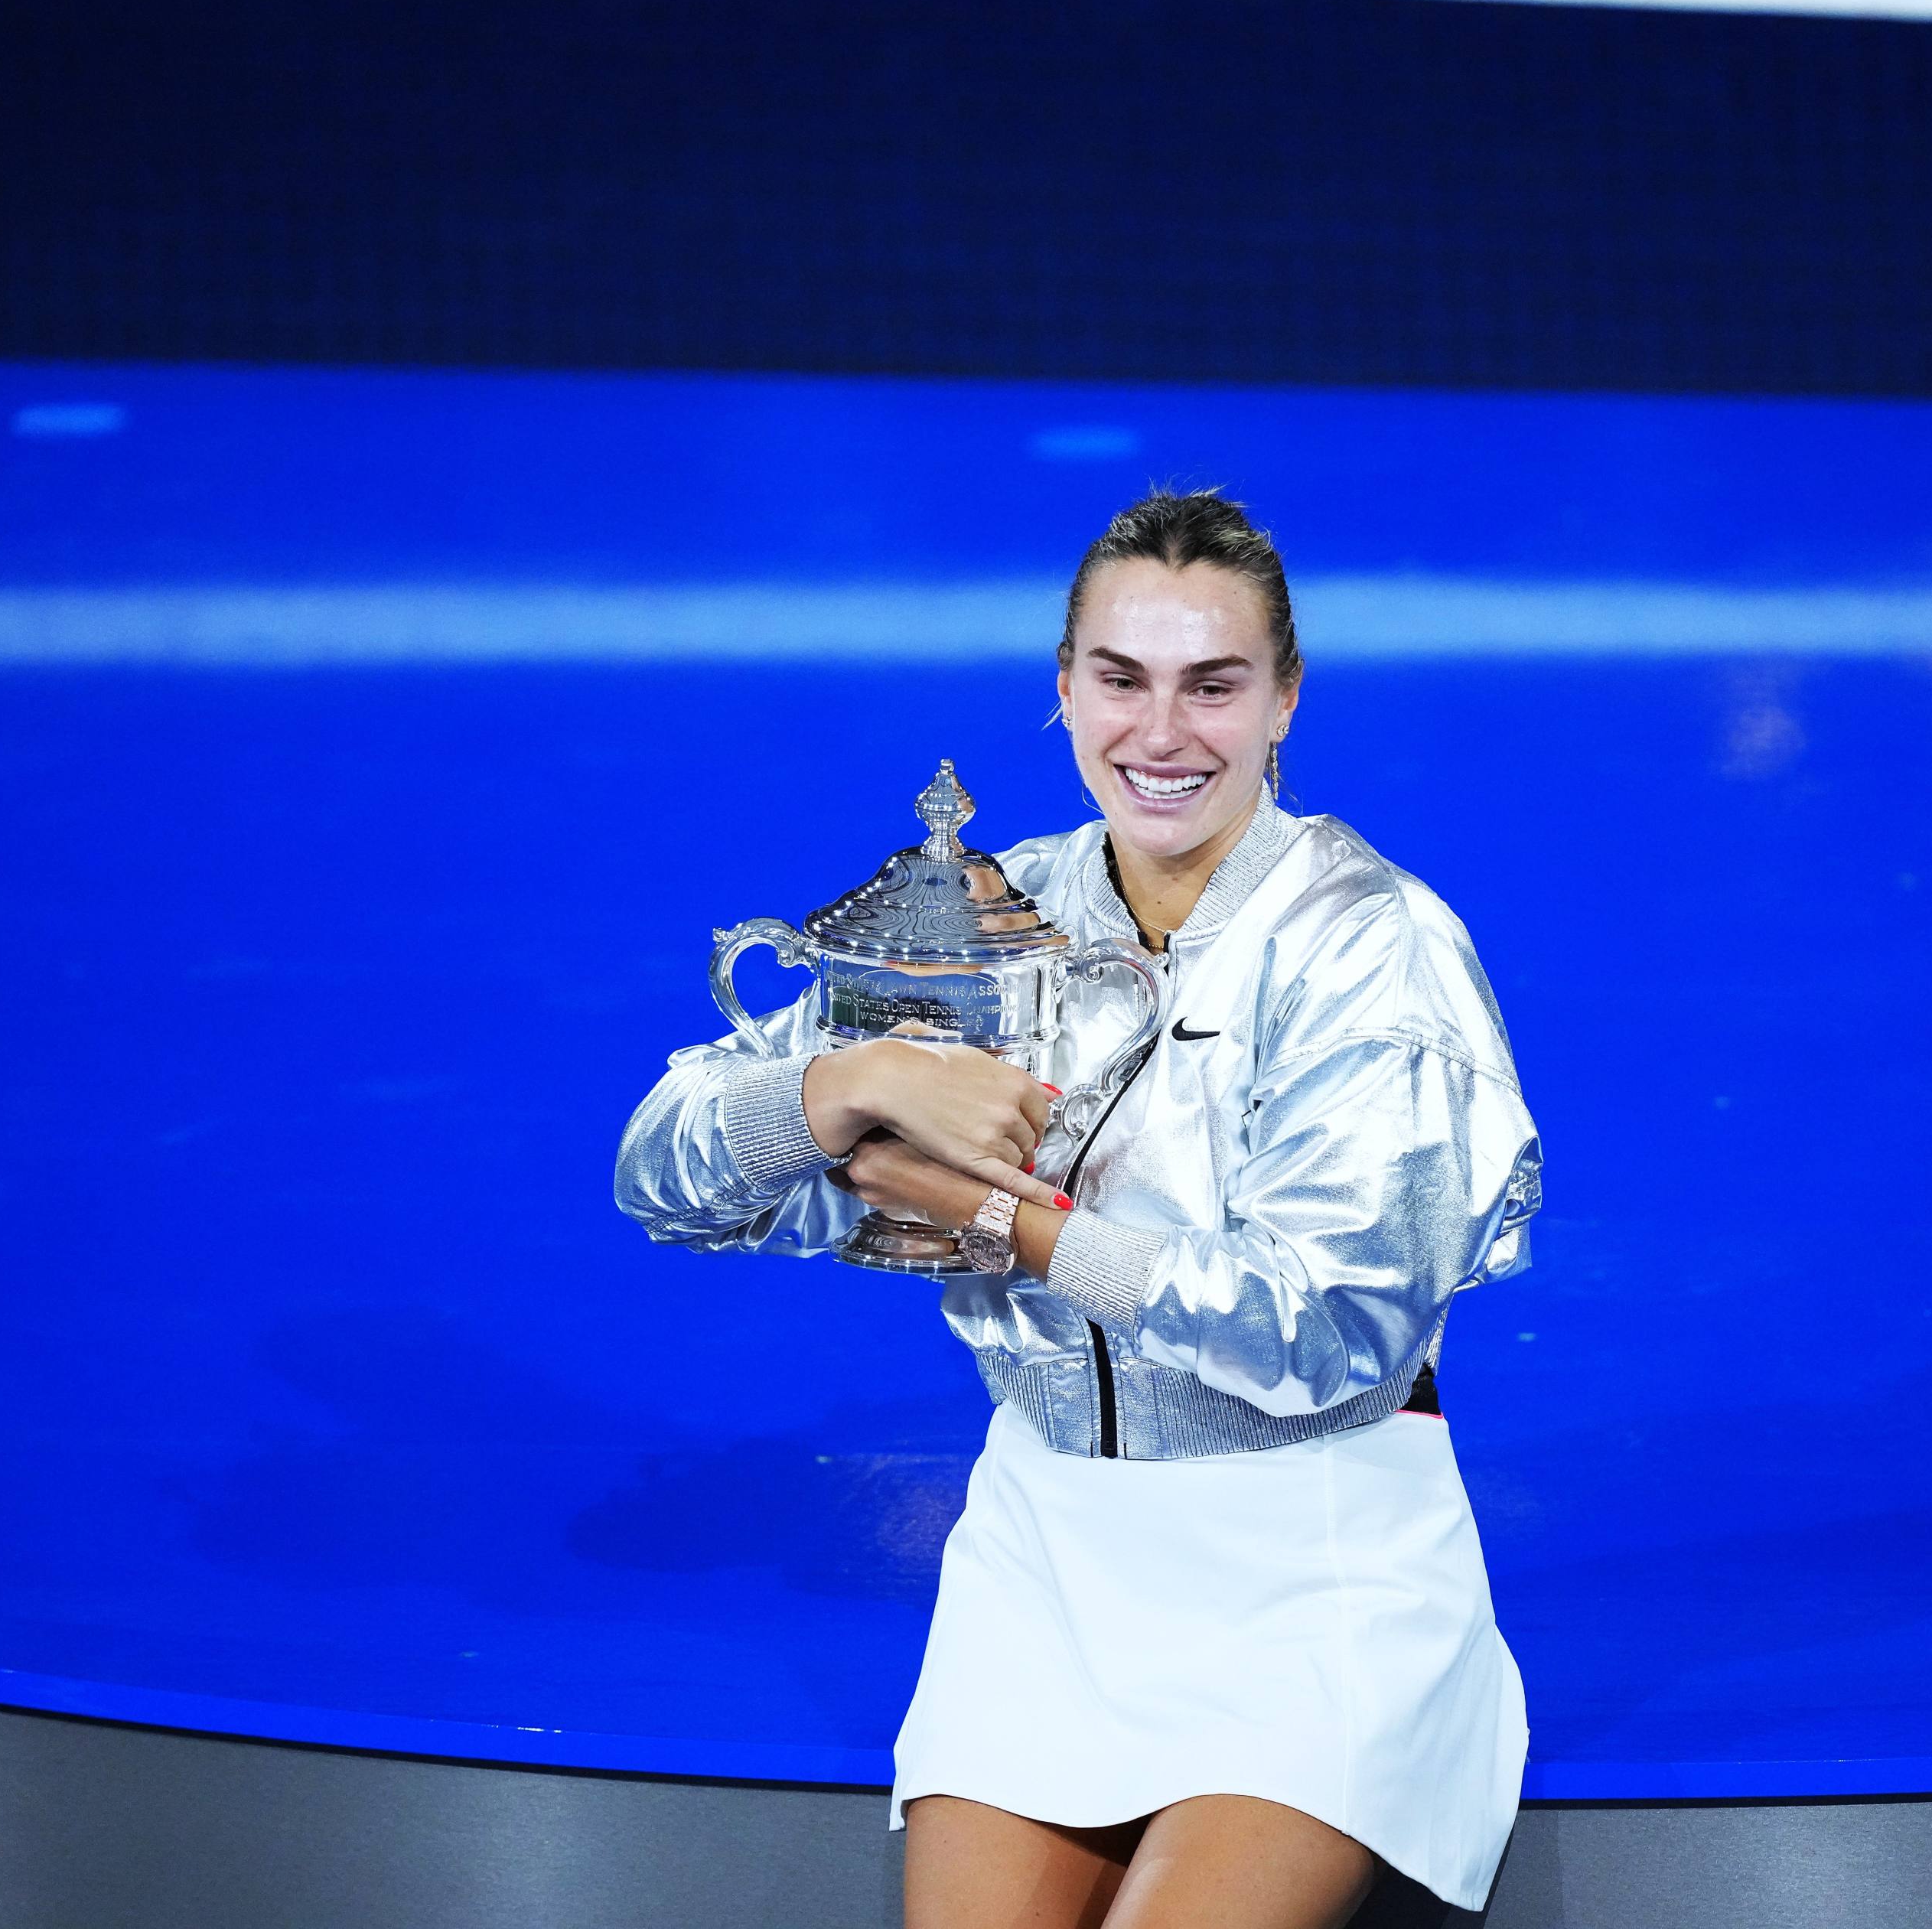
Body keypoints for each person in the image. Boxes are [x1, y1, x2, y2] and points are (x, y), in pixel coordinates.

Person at [615, 490, 1541, 1929]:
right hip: (1046, 1556)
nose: (1160, 733)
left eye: (1213, 685)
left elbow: (1324, 1329)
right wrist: (852, 1083)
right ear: (1063, 687)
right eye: (1121, 679)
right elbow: (662, 1171)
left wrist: (1005, 1224)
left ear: (1286, 698)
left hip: (1318, 1561)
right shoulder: (987, 916)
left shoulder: (1376, 946)